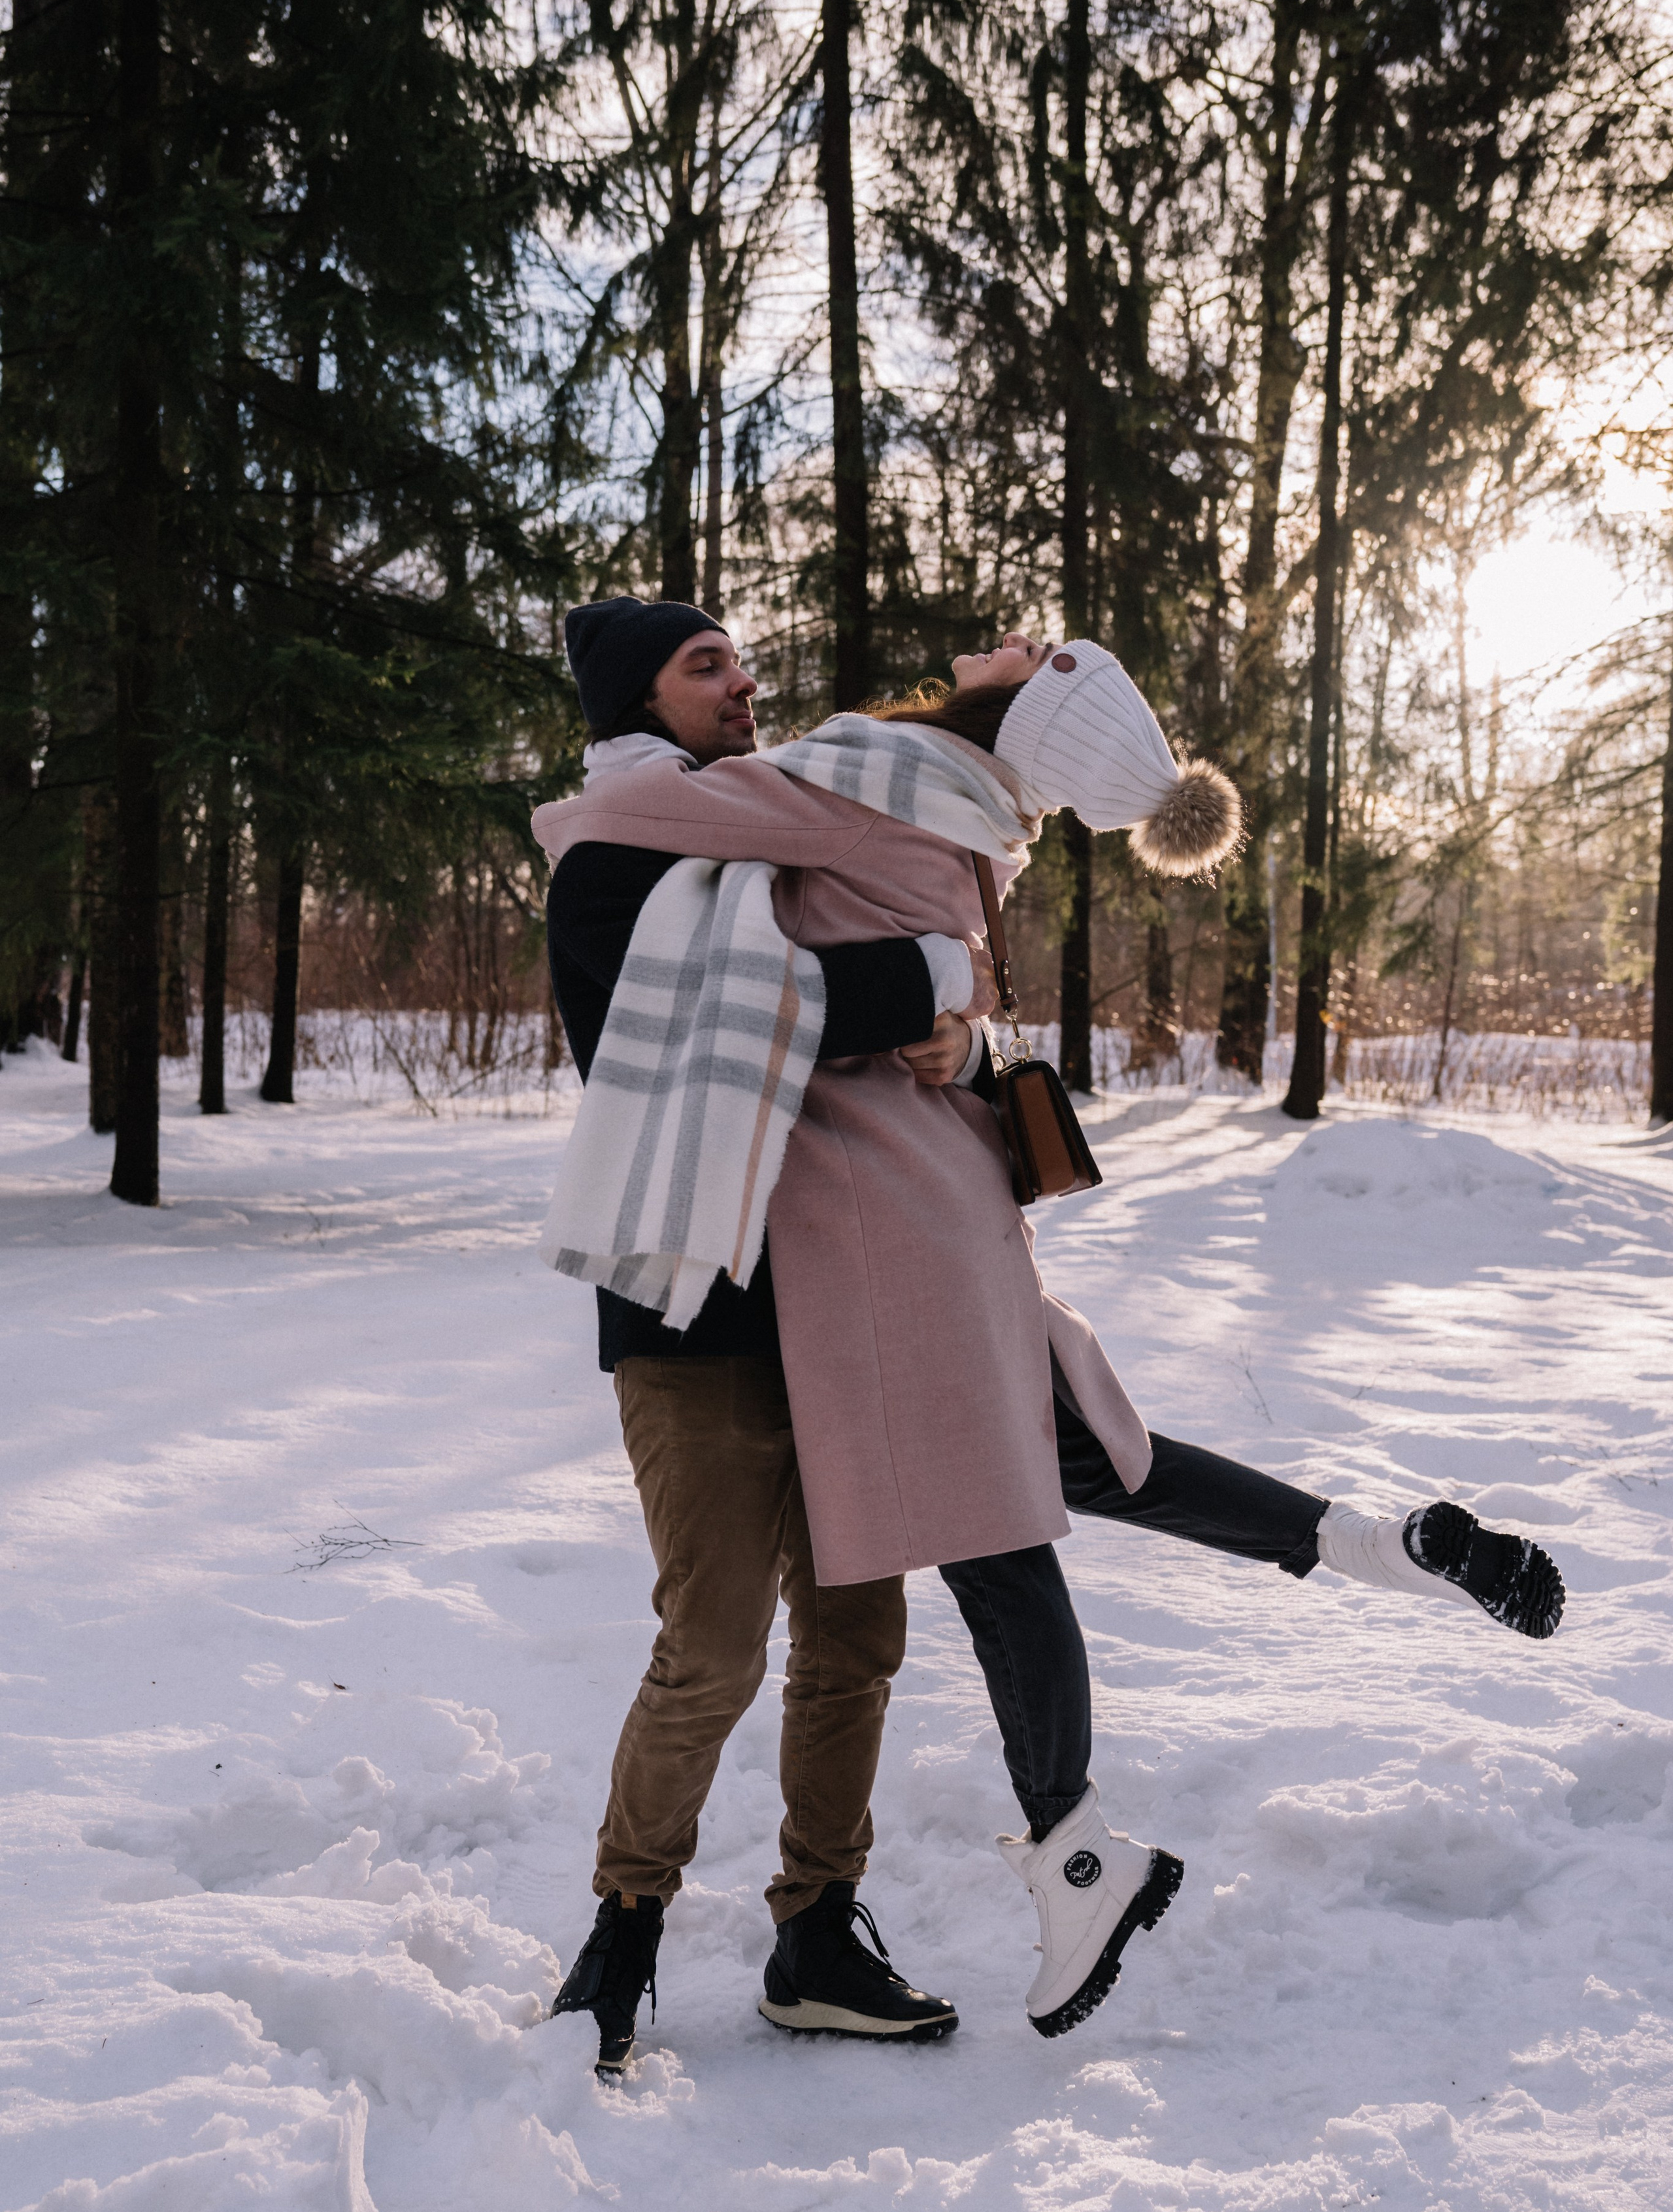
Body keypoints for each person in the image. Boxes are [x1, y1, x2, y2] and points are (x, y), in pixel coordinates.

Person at [536, 600, 1564, 2071]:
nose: (745, 681)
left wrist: (965, 1028)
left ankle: (816, 1932)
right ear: (634, 696)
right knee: (712, 1646)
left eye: (741, 657)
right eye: (706, 665)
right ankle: (619, 1948)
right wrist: (940, 987)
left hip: (850, 1292)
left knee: (862, 1637)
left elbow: (891, 957)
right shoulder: (618, 849)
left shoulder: (824, 805)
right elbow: (696, 1012)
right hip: (701, 1307)